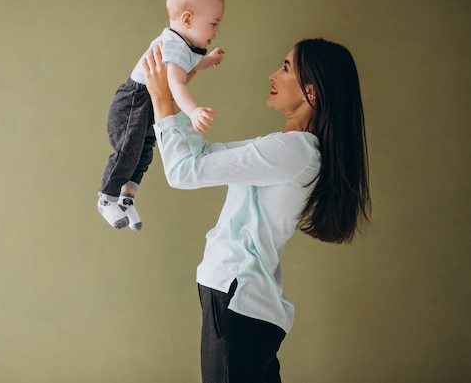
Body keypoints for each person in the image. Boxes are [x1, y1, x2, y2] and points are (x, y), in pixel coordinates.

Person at [142, 39, 371, 383]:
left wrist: (162, 99)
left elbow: (183, 172)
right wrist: (176, 99)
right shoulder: (290, 149)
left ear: (313, 91)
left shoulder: (294, 151)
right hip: (244, 303)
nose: (273, 75)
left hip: (237, 299)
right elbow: (200, 157)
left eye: (285, 68)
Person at [98, 0, 226, 232]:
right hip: (134, 101)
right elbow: (176, 85)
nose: (216, 31)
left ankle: (127, 197)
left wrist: (209, 60)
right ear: (188, 19)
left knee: (145, 151)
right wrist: (193, 111)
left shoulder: (185, 45)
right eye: (213, 24)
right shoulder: (172, 45)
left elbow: (191, 64)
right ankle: (106, 198)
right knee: (128, 151)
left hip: (149, 103)